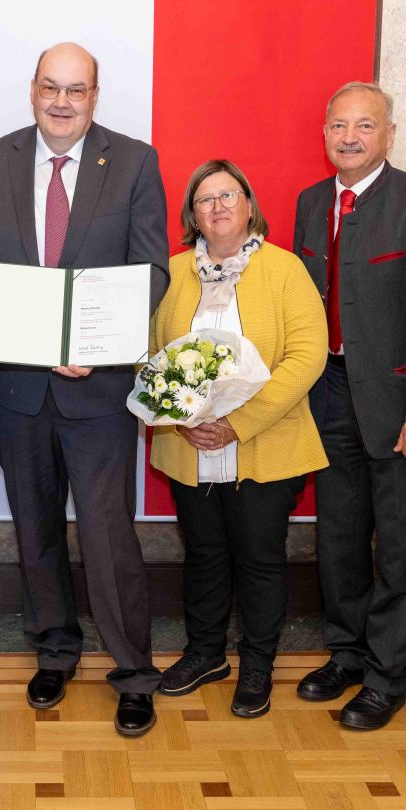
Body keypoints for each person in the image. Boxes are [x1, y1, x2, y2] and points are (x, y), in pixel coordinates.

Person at [0, 42, 167, 737]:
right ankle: (54, 647)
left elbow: (152, 272)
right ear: (31, 89)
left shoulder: (135, 161)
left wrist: (104, 344)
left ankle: (134, 671)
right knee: (36, 529)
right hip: (18, 389)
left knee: (110, 536)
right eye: (50, 87)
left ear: (95, 95)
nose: (61, 101)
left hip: (97, 392)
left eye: (76, 90)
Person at [291, 81, 406, 731]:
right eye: (339, 125)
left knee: (398, 543)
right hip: (330, 394)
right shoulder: (313, 203)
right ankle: (347, 652)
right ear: (326, 132)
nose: (350, 137)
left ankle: (388, 671)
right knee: (337, 538)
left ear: (390, 134)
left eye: (365, 125)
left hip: (401, 407)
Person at [150, 161, 327, 717]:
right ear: (193, 217)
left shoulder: (285, 269)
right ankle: (205, 654)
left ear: (249, 205)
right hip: (189, 445)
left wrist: (237, 423)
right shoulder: (174, 272)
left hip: (265, 442)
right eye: (205, 199)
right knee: (202, 555)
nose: (219, 206)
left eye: (229, 195)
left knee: (259, 558)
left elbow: (306, 357)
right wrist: (178, 416)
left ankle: (256, 663)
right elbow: (151, 352)